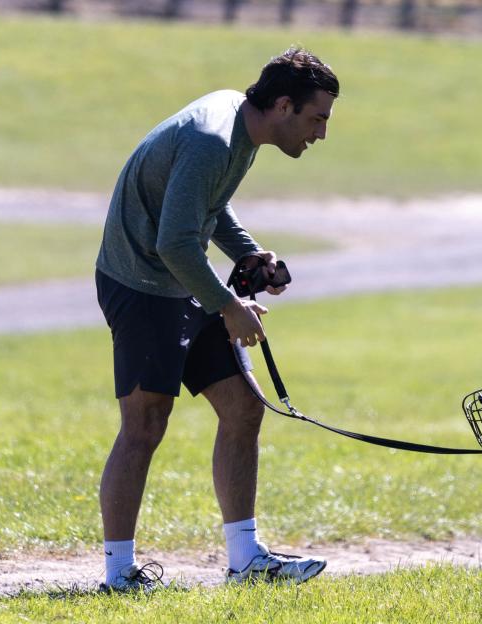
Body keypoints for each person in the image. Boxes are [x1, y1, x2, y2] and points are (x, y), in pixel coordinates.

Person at [94, 47, 339, 592]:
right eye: (317, 118)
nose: (321, 133)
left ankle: (246, 560)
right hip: (141, 284)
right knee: (145, 425)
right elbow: (175, 241)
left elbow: (207, 206)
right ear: (282, 106)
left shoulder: (243, 128)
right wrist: (228, 307)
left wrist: (247, 254)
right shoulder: (212, 140)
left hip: (182, 276)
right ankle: (118, 575)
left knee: (244, 408)